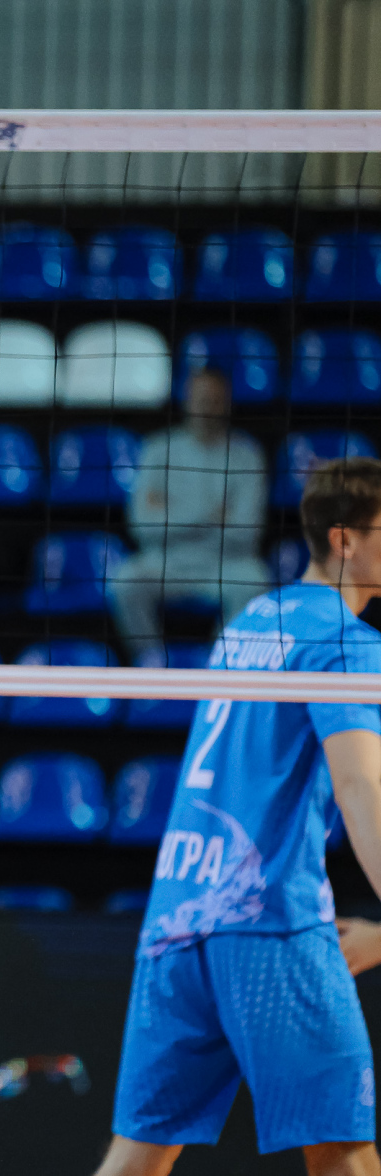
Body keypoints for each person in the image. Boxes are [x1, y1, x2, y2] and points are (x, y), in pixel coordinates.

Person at [96, 456, 381, 1176]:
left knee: (137, 1158)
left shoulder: (250, 619)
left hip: (177, 916)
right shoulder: (345, 640)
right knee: (345, 1153)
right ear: (345, 539)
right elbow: (360, 787)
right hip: (266, 918)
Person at [109, 366, 268, 664]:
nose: (207, 406)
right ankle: (152, 662)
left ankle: (218, 664)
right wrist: (212, 515)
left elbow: (246, 533)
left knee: (255, 582)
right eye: (201, 398)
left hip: (225, 562)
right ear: (186, 400)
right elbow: (142, 525)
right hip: (165, 561)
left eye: (215, 399)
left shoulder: (248, 454)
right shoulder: (157, 449)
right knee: (124, 582)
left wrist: (171, 513)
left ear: (227, 403)